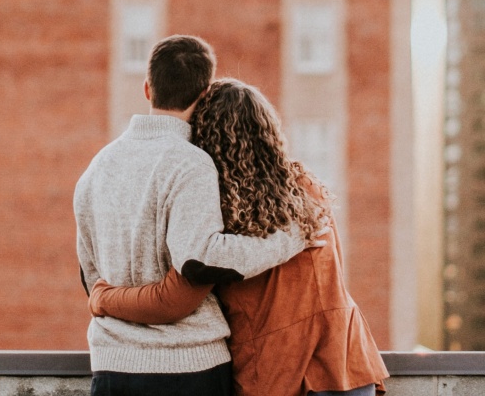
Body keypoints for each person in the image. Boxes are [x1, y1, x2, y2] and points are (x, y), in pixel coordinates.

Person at [88, 78, 389, 396]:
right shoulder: (307, 191)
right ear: (269, 133)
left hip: (274, 374)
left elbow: (175, 298)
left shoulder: (219, 211)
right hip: (343, 365)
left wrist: (103, 297)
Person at [75, 37, 322, 396]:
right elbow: (201, 258)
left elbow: (91, 277)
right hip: (188, 370)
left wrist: (109, 301)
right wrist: (288, 237)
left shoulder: (95, 169)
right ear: (205, 94)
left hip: (111, 369)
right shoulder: (191, 164)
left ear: (147, 89)